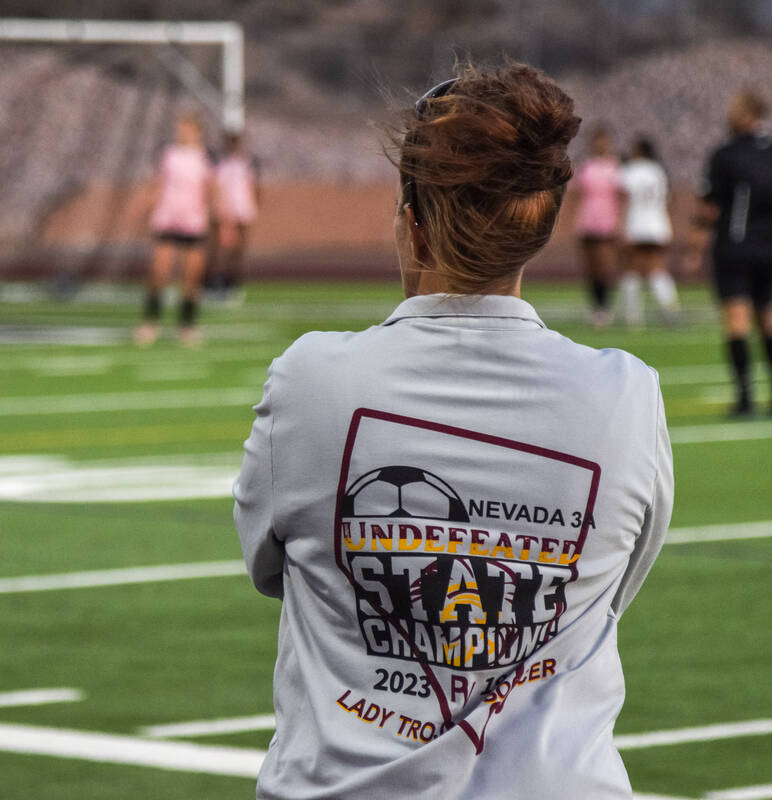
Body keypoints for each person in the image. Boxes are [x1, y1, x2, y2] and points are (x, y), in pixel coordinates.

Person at [234, 63, 672, 799]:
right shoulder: (625, 395)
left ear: (413, 221)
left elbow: (268, 566)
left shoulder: (309, 380)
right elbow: (608, 590)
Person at [696, 89, 772, 417]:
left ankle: (745, 399)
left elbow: (710, 208)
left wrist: (693, 241)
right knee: (768, 318)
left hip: (733, 248)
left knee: (737, 322)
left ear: (745, 113)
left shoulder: (725, 155)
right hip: (769, 249)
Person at [134, 112, 213, 348]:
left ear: (197, 131)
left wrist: (215, 219)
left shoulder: (205, 158)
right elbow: (158, 184)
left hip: (194, 222)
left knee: (191, 278)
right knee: (159, 273)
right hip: (167, 220)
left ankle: (187, 324)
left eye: (186, 128)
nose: (182, 132)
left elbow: (211, 189)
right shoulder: (169, 154)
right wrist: (147, 208)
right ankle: (150, 321)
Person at [617, 137, 679, 328]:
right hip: (658, 223)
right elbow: (668, 197)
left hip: (636, 223)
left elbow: (622, 198)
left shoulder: (630, 170)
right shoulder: (658, 171)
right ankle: (670, 308)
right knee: (657, 267)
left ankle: (633, 316)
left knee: (631, 268)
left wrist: (620, 225)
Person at [570, 125, 620, 328]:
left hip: (607, 223)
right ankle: (596, 307)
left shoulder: (616, 167)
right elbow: (576, 194)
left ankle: (605, 306)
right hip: (587, 221)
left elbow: (622, 197)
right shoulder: (586, 167)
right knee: (590, 268)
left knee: (604, 267)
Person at [211, 131, 260, 305]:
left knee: (237, 251)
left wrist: (253, 206)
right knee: (220, 250)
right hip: (224, 211)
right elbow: (216, 187)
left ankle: (233, 285)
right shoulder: (221, 164)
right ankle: (218, 283)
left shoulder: (246, 164)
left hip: (242, 211)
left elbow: (253, 187)